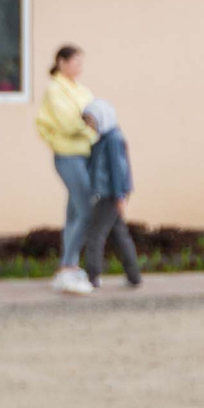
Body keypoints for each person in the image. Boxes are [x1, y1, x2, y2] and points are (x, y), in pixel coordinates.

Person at [33, 44, 99, 296]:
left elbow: (95, 115)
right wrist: (87, 125)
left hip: (85, 154)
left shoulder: (80, 89)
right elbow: (69, 122)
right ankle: (68, 267)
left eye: (82, 63)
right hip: (68, 155)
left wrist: (90, 123)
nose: (79, 68)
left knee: (74, 212)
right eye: (75, 62)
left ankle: (68, 266)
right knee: (86, 209)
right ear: (61, 62)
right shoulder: (55, 89)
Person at [78, 97, 141, 289]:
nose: (90, 126)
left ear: (101, 117)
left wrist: (120, 196)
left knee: (95, 233)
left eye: (91, 121)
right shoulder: (105, 138)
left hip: (111, 195)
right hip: (110, 193)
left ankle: (92, 276)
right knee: (119, 233)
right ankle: (134, 276)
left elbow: (118, 169)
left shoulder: (113, 139)